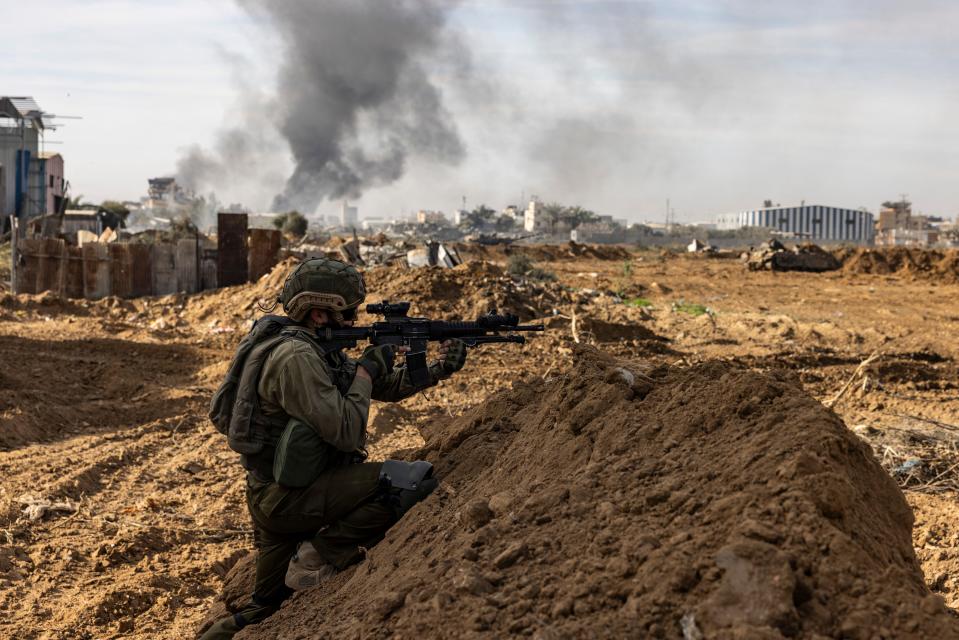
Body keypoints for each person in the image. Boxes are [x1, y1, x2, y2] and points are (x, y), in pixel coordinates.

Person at [199, 258, 467, 639]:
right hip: (288, 499)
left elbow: (376, 387)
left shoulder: (312, 345)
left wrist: (434, 370)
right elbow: (346, 429)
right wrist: (366, 371)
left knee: (264, 610)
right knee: (411, 482)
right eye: (348, 312)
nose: (354, 319)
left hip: (278, 492)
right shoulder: (296, 358)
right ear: (320, 312)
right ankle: (318, 555)